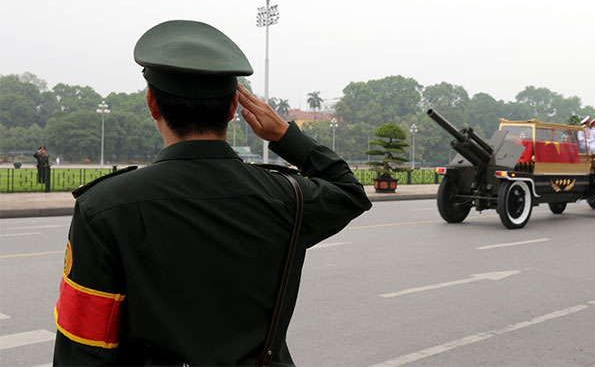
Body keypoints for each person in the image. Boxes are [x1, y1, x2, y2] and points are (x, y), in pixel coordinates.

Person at [53, 20, 372, 366]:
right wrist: (285, 136)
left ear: (152, 104)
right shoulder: (287, 197)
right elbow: (349, 191)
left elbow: (84, 345)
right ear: (234, 109)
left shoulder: (103, 207)